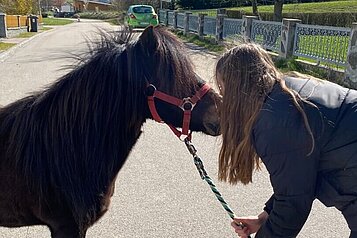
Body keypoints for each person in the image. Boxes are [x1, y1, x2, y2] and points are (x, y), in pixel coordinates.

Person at [215, 43, 357, 238]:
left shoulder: (274, 122)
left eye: (223, 88)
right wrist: (263, 218)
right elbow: (297, 179)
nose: (222, 96)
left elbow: (293, 203)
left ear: (237, 90)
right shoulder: (286, 94)